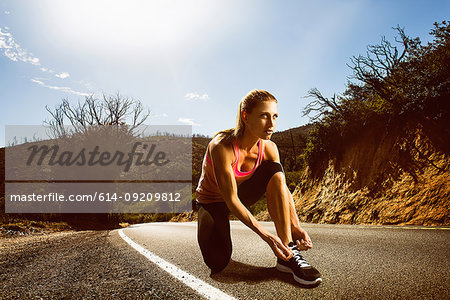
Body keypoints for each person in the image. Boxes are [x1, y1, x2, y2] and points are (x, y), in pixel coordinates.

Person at [195, 89, 322, 287]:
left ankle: (288, 255)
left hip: (242, 194)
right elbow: (231, 200)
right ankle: (211, 225)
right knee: (217, 262)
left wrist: (295, 226)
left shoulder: (269, 147)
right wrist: (267, 237)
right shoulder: (221, 146)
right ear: (245, 116)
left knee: (274, 169)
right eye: (264, 116)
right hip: (212, 202)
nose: (271, 124)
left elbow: (280, 185)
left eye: (275, 116)